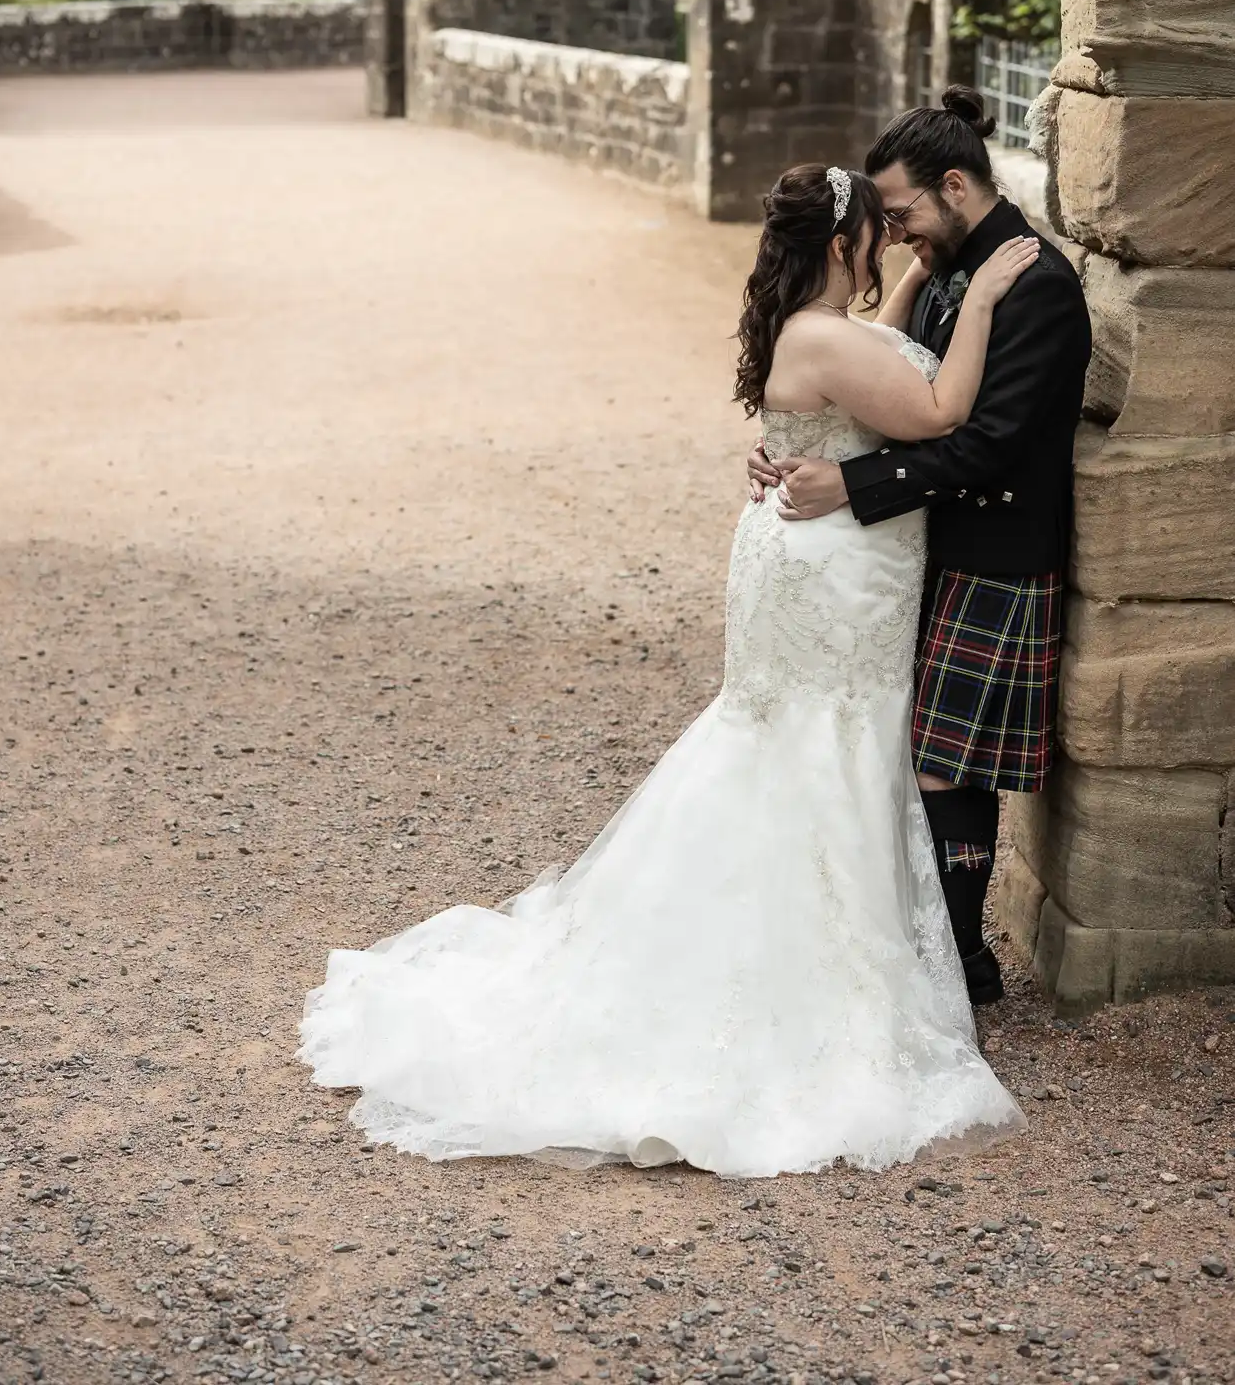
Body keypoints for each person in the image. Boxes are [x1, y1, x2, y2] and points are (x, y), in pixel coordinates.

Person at [300, 162, 1035, 1178]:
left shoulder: (818, 328)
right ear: (839, 246)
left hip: (810, 558)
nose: (890, 248)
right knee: (821, 744)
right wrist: (987, 295)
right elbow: (945, 407)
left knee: (793, 739)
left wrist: (911, 283)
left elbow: (872, 348)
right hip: (835, 575)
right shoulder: (825, 337)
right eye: (878, 233)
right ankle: (809, 981)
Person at [748, 88, 1092, 1006]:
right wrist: (798, 450)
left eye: (901, 214)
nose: (893, 235)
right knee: (911, 750)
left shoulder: (1037, 286)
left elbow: (987, 441)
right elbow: (873, 395)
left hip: (994, 550)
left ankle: (961, 958)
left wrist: (847, 485)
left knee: (948, 758)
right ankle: (929, 947)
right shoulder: (948, 271)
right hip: (927, 542)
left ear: (953, 185)